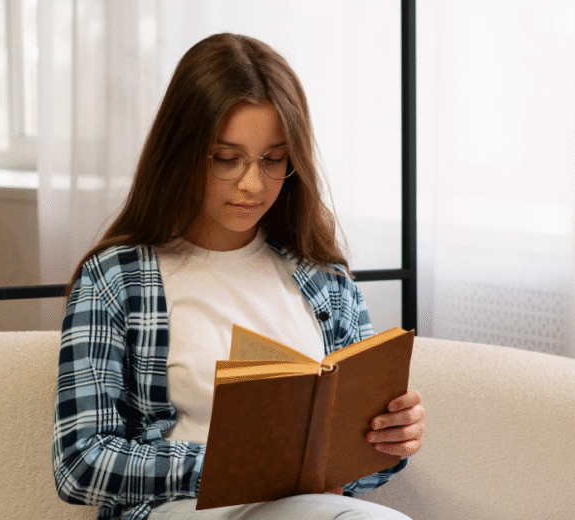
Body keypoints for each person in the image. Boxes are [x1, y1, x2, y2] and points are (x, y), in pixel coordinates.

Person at [52, 33, 425, 520]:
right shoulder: (117, 279)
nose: (252, 183)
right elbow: (79, 463)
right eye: (226, 159)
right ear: (182, 153)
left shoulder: (324, 279)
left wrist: (390, 440)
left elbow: (357, 469)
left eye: (273, 159)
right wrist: (231, 466)